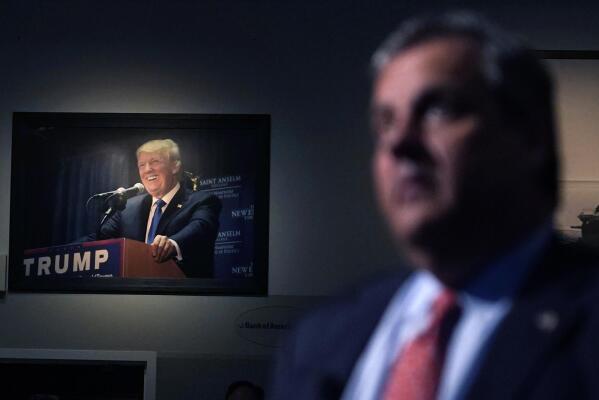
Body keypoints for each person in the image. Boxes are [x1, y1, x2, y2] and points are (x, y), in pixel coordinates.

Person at [269, 12, 599, 400]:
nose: (399, 144)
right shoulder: (321, 337)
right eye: (386, 123)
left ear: (530, 137)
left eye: (437, 110)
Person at [92, 138, 221, 278]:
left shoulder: (202, 200)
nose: (147, 170)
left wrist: (172, 243)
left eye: (155, 162)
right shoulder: (128, 207)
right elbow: (99, 238)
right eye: (142, 165)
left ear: (175, 166)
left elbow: (201, 227)